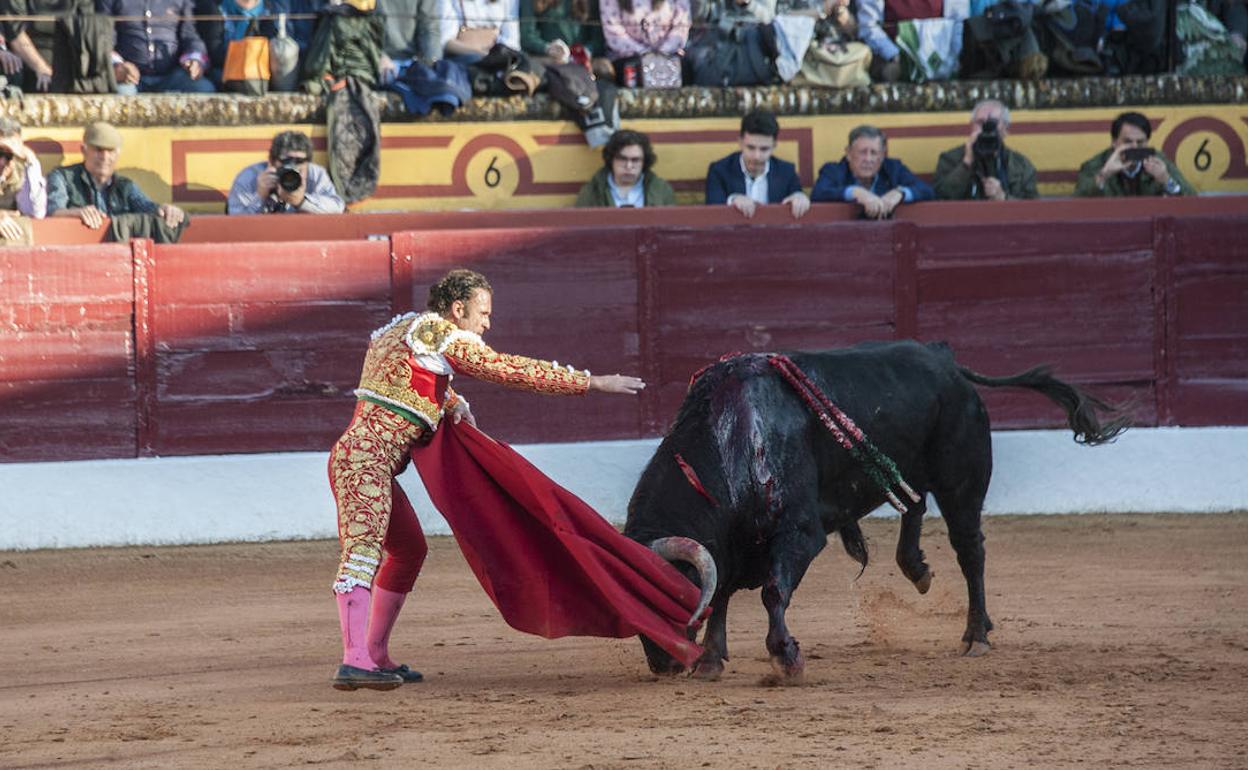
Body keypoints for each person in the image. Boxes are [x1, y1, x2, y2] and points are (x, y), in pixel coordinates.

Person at [328, 268, 646, 690]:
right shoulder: (442, 334)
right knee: (363, 553)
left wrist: (451, 400)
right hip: (365, 463)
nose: (487, 323)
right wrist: (592, 382)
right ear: (458, 309)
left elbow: (403, 379)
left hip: (361, 459)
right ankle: (353, 661)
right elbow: (506, 369)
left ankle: (376, 654)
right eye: (483, 313)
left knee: (408, 551)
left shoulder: (407, 329)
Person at [47, 121, 189, 242]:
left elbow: (148, 207)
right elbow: (52, 212)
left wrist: (166, 209)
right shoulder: (62, 177)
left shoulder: (125, 186)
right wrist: (76, 213)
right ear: (84, 150)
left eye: (111, 151)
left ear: (118, 154)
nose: (105, 157)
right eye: (98, 150)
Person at [705, 110, 810, 220]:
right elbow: (712, 212)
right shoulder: (719, 171)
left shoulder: (787, 172)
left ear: (774, 146)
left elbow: (797, 197)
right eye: (751, 148)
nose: (757, 156)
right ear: (740, 143)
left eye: (764, 149)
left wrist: (799, 198)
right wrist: (733, 200)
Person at [811, 124, 932, 218]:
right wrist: (855, 192)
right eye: (863, 152)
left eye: (874, 153)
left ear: (882, 155)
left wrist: (900, 193)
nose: (868, 159)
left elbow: (927, 191)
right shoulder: (833, 170)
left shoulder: (893, 168)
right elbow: (818, 194)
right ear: (848, 153)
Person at [100, 0, 216, 94]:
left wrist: (194, 60)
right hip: (128, 77)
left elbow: (190, 36)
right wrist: (116, 65)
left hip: (171, 75)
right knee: (122, 96)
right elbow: (104, 39)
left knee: (204, 89)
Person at [932, 99, 1038, 201]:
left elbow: (1034, 210)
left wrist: (1004, 198)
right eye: (980, 123)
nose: (986, 129)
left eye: (993, 123)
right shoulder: (949, 159)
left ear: (1006, 130)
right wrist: (966, 163)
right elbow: (941, 197)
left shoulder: (1022, 166)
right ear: (972, 126)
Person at [1074, 111, 1196, 198]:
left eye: (1140, 142)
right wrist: (1104, 175)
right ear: (1114, 143)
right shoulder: (1096, 164)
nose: (1135, 147)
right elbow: (1077, 203)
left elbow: (1193, 200)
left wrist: (1166, 180)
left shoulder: (1158, 161)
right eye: (1128, 141)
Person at [227, 130, 346, 214]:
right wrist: (260, 197)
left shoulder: (315, 174)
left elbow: (337, 208)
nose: (293, 167)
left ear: (307, 163)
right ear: (271, 162)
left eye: (300, 161)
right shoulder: (250, 177)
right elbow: (236, 223)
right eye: (287, 161)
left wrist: (302, 202)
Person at [574, 129, 675, 208]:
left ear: (644, 162)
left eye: (635, 160)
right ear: (611, 159)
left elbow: (671, 228)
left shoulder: (661, 190)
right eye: (622, 159)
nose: (629, 166)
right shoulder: (591, 191)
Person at [0, 117, 47, 242]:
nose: (2, 161)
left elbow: (34, 212)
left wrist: (31, 161)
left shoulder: (23, 172)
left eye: (8, 155)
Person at [437, 0, 521, 63]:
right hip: (463, 60)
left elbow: (512, 42)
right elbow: (446, 42)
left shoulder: (510, 2)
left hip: (498, 60)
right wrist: (481, 53)